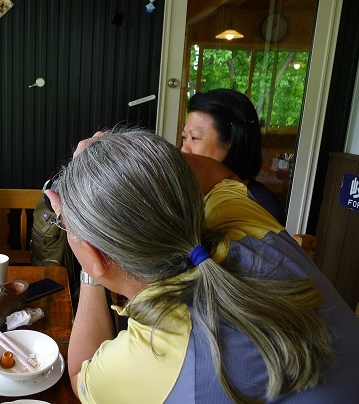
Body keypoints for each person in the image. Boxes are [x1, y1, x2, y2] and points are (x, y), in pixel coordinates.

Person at [46, 129, 359, 402]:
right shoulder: (246, 226)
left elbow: (79, 374)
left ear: (95, 256)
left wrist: (90, 273)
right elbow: (221, 177)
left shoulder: (151, 357)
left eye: (63, 224)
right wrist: (132, 161)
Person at [181, 88, 286, 225]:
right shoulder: (198, 194)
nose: (184, 149)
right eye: (184, 137)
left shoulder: (256, 208)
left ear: (232, 142)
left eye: (194, 137)